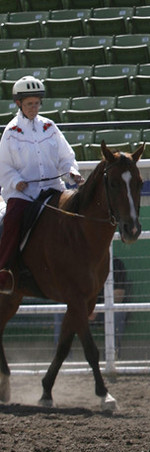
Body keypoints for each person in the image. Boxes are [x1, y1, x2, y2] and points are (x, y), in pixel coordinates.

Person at [0, 76, 84, 294]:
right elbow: (3, 166)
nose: (34, 108)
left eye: (37, 103)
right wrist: (16, 182)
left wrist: (72, 172)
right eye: (29, 104)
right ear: (18, 103)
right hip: (24, 194)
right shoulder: (11, 133)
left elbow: (66, 156)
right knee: (11, 221)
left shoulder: (49, 126)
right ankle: (5, 270)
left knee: (77, 213)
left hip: (53, 188)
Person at [53, 256, 130, 353]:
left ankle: (112, 356)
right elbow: (68, 292)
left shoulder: (116, 264)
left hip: (103, 311)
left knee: (118, 313)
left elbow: (119, 295)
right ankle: (62, 357)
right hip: (80, 308)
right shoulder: (77, 263)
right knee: (60, 310)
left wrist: (97, 308)